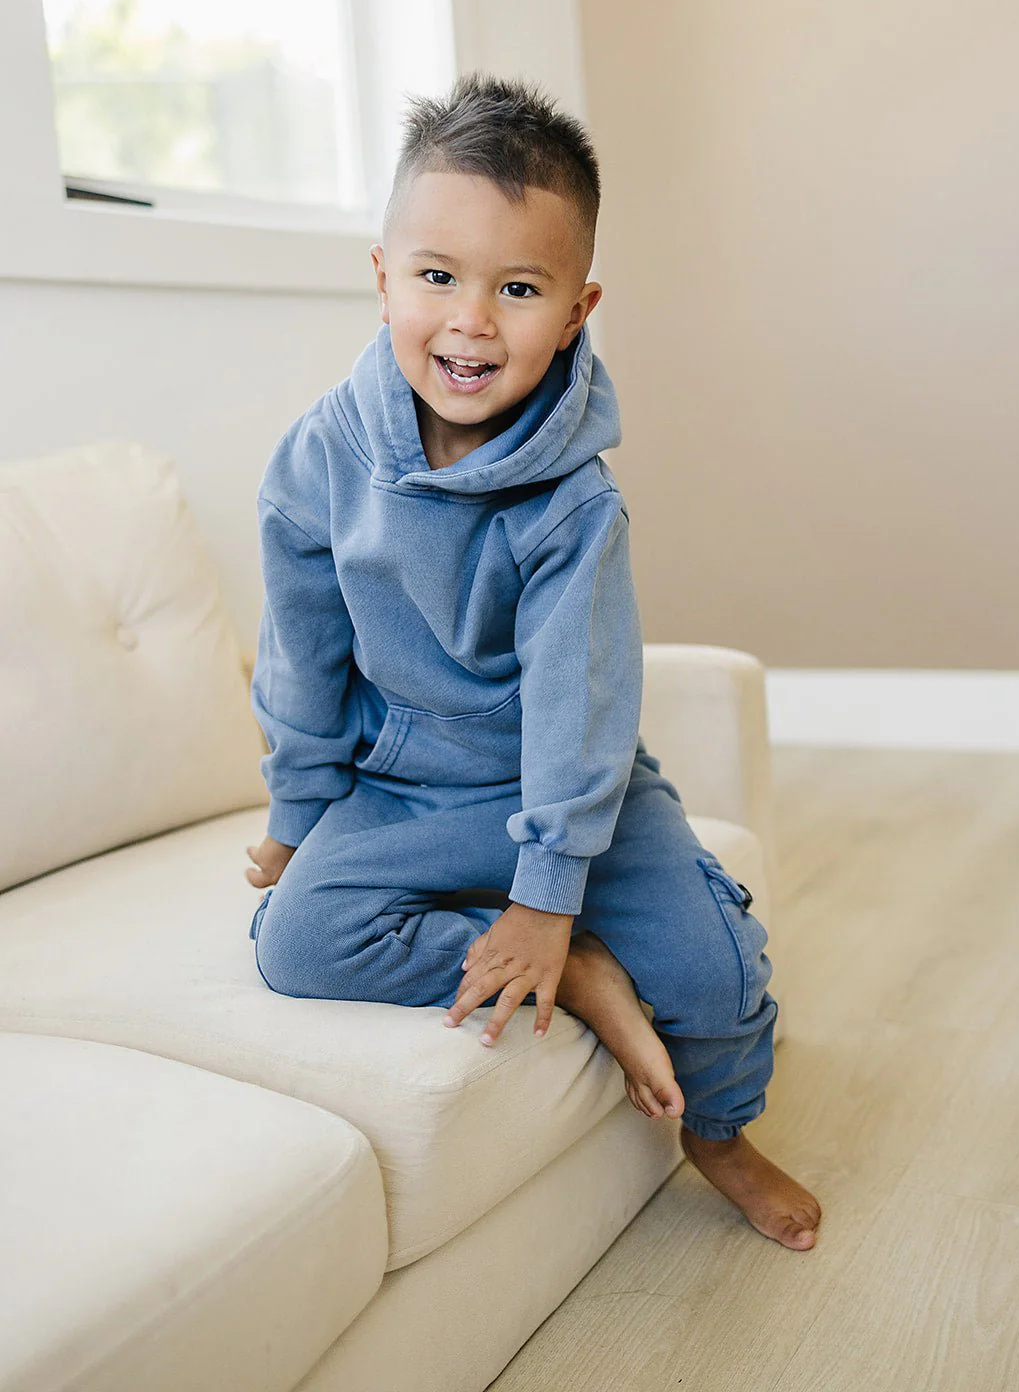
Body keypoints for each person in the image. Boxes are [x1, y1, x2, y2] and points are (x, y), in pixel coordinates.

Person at [244, 72, 822, 1251]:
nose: (470, 320)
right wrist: (299, 812)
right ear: (382, 276)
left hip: (569, 790)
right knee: (293, 942)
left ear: (573, 310)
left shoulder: (573, 506)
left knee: (710, 971)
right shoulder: (315, 460)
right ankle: (587, 975)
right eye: (436, 277)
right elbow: (303, 656)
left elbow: (579, 705)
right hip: (408, 788)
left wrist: (547, 890)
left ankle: (718, 1132)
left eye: (516, 288)